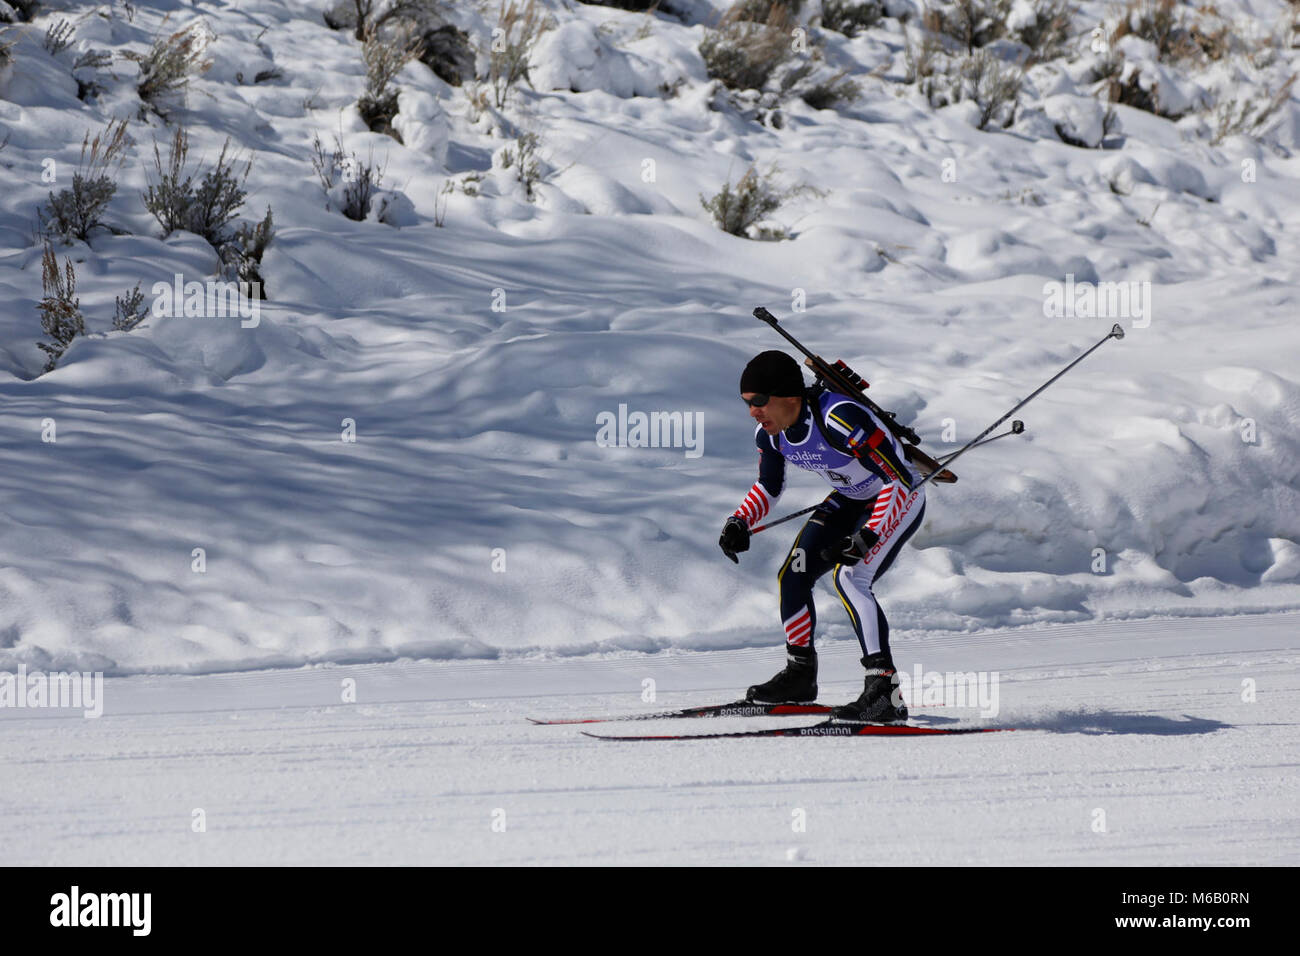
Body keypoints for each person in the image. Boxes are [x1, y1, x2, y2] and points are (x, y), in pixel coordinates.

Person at [719, 350, 927, 723]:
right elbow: (769, 485)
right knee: (793, 574)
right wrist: (740, 521)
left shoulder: (840, 417)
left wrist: (868, 535)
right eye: (748, 404)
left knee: (851, 577)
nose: (754, 412)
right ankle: (799, 677)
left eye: (760, 402)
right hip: (850, 499)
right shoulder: (771, 436)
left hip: (896, 497)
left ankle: (884, 693)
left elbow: (899, 479)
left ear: (790, 396)